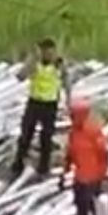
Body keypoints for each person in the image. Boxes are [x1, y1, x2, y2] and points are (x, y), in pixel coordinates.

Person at [12, 37, 66, 178]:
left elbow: (66, 80)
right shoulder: (35, 64)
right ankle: (18, 164)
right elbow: (20, 77)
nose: (47, 54)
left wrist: (68, 98)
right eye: (44, 51)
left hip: (50, 104)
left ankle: (43, 168)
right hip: (35, 102)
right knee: (26, 134)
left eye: (49, 51)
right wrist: (30, 61)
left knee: (46, 137)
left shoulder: (58, 65)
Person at [62, 96, 108, 215]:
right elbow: (70, 152)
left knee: (94, 208)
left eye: (74, 115)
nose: (72, 119)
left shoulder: (93, 132)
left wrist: (103, 173)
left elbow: (103, 153)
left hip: (92, 177)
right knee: (80, 207)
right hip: (80, 177)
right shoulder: (73, 133)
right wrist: (66, 170)